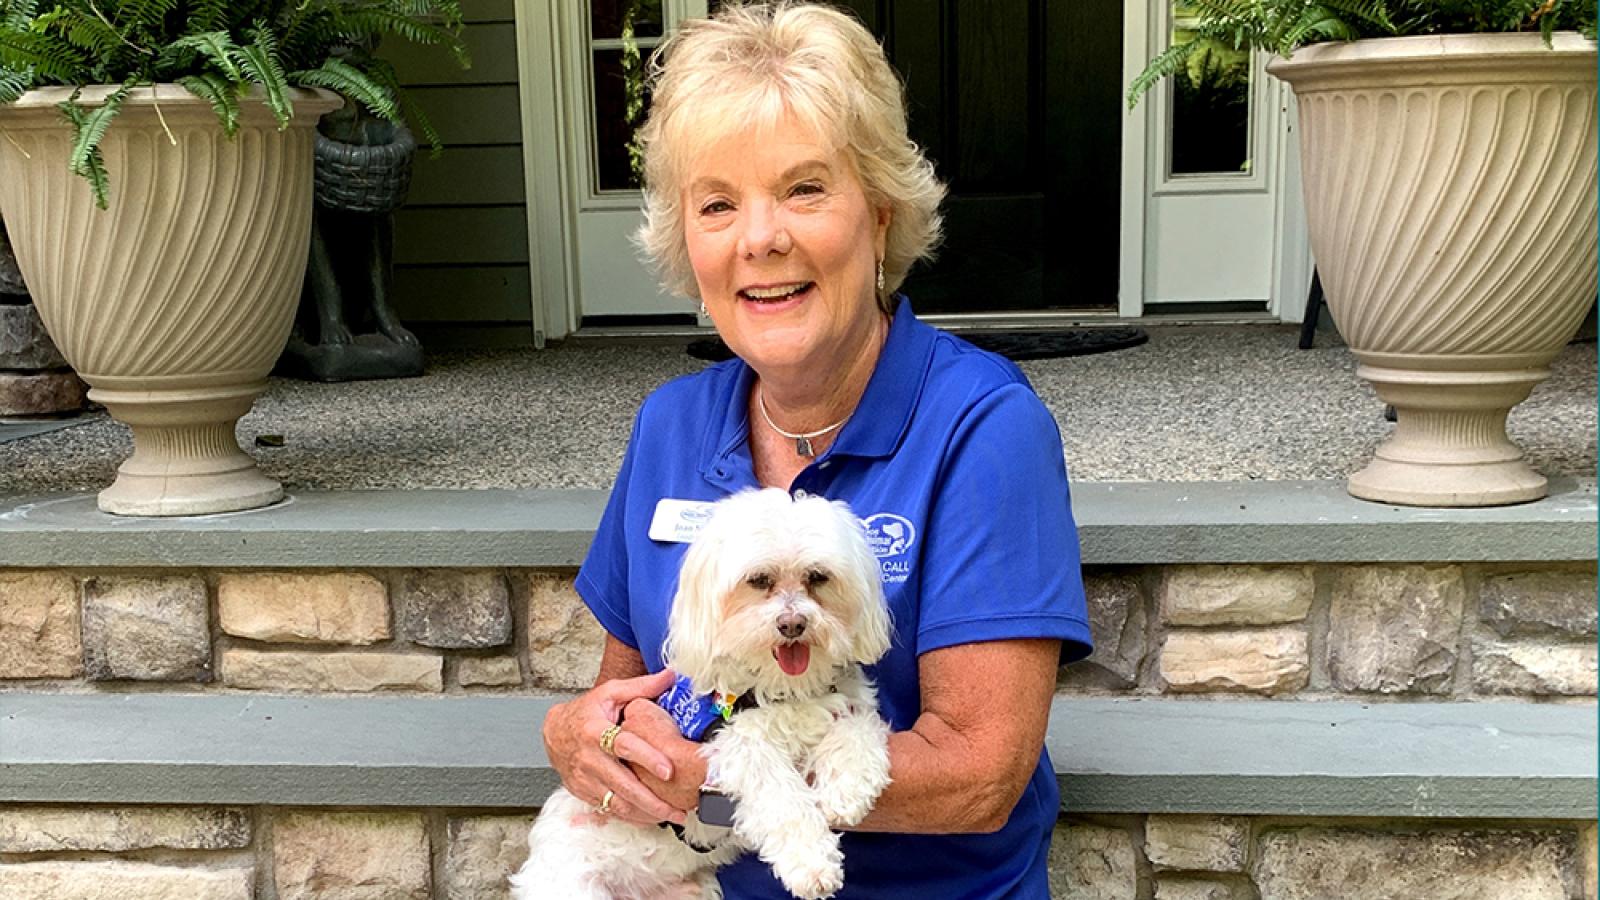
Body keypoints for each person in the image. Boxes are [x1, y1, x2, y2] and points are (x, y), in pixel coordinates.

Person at [539, 3, 1093, 897]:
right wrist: (576, 736)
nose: (760, 238)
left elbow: (980, 774)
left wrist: (719, 784)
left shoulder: (983, 427)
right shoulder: (670, 426)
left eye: (803, 189)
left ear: (880, 214)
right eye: (718, 204)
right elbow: (634, 696)